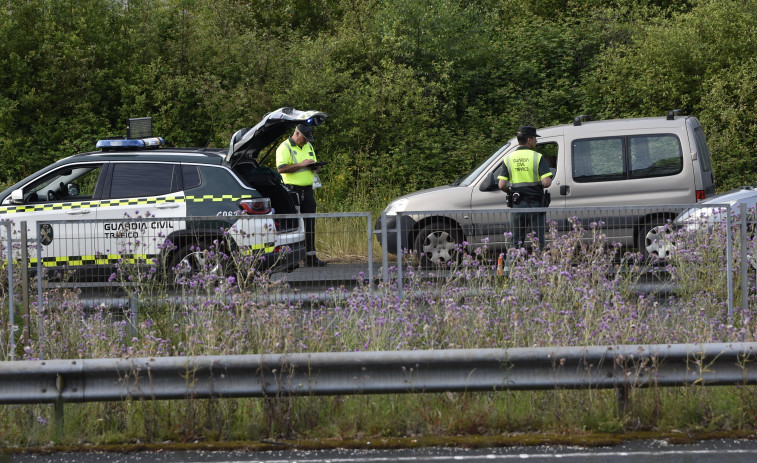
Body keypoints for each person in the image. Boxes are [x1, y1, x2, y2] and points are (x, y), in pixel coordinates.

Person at [276, 123, 327, 267]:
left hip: (308, 189)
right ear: (297, 134)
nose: (306, 141)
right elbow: (281, 169)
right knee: (294, 226)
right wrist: (301, 165)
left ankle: (311, 258)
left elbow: (310, 162)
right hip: (293, 191)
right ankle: (291, 260)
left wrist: (315, 167)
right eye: (305, 138)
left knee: (310, 223)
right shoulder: (284, 147)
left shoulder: (308, 146)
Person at [498, 125, 553, 251]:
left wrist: (511, 191)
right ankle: (537, 270)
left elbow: (501, 185)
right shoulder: (537, 157)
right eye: (535, 139)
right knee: (538, 243)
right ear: (529, 140)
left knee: (515, 243)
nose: (536, 141)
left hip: (516, 205)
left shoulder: (508, 158)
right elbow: (546, 182)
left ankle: (509, 270)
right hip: (535, 205)